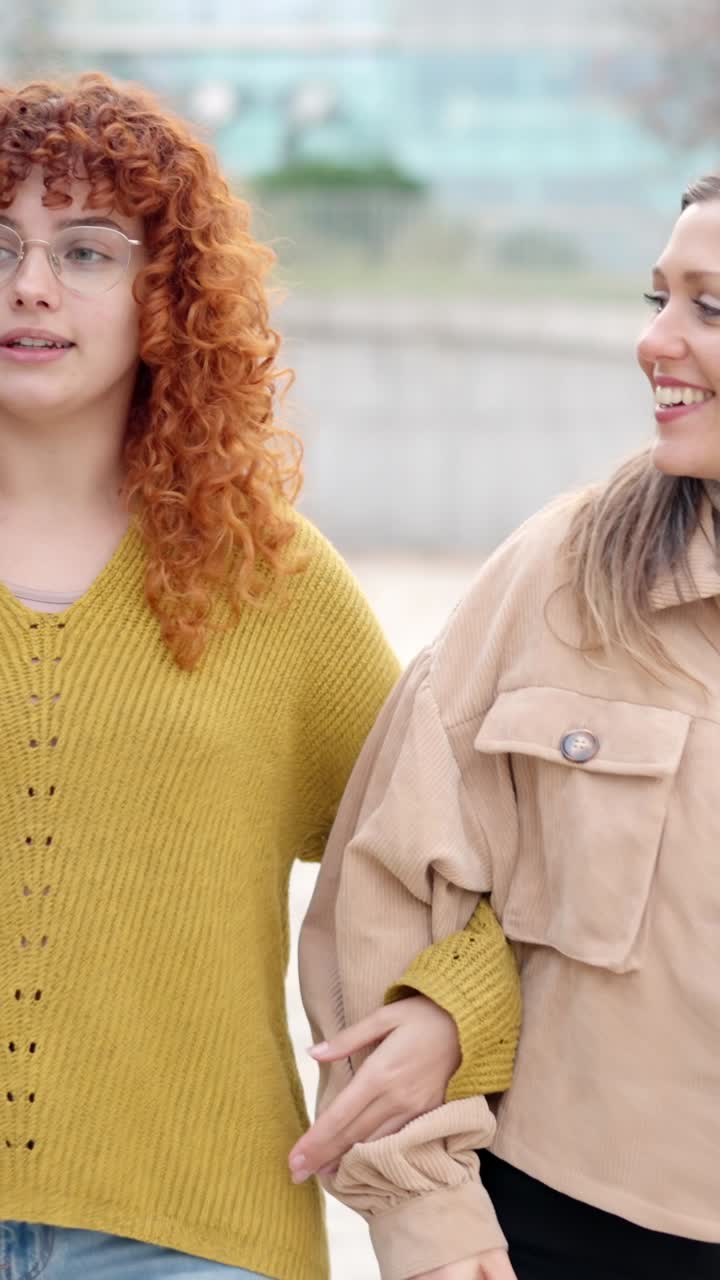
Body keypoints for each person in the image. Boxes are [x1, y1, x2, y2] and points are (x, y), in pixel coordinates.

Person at [0, 72, 521, 1280]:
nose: (29, 283)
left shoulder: (266, 579)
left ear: (164, 297)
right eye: (3, 243)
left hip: (192, 1238)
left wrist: (451, 1014)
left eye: (85, 250)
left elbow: (460, 862)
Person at [298, 174, 720, 1280]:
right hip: (565, 1226)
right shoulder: (563, 575)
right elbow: (395, 884)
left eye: (708, 307)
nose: (656, 340)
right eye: (657, 296)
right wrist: (431, 1218)